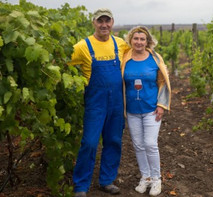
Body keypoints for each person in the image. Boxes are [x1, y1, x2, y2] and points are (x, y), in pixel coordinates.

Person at [68, 8, 129, 197]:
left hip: (117, 103)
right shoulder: (82, 46)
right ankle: (81, 186)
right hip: (96, 103)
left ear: (112, 22)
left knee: (113, 141)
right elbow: (63, 61)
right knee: (90, 142)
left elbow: (140, 52)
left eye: (107, 21)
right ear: (94, 22)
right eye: (100, 21)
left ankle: (106, 180)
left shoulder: (120, 44)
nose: (104, 25)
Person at [121, 26, 171, 196]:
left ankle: (157, 179)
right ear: (131, 40)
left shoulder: (155, 59)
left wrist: (161, 105)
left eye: (142, 39)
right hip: (133, 111)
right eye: (136, 38)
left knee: (150, 144)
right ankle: (146, 177)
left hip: (151, 109)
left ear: (148, 41)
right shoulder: (125, 59)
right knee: (138, 145)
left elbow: (164, 81)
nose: (139, 42)